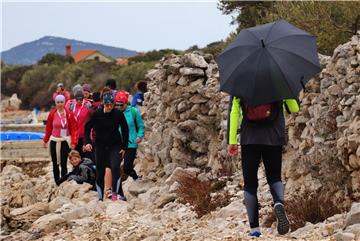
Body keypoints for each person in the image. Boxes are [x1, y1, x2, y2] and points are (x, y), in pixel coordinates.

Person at [227, 97, 299, 237]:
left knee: (250, 183)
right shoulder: (279, 80)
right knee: (274, 177)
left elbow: (234, 112)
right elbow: (294, 108)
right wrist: (288, 92)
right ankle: (278, 203)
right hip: (274, 137)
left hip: (249, 139)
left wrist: (232, 140)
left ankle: (255, 229)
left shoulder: (240, 82)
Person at [84, 92, 129, 202]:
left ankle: (115, 196)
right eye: (107, 104)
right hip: (100, 145)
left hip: (115, 145)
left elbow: (125, 129)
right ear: (103, 103)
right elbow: (87, 127)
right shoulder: (97, 113)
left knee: (115, 167)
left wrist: (124, 147)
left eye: (112, 104)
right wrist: (87, 142)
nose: (110, 107)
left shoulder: (118, 114)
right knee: (100, 171)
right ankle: (100, 198)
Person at [43, 94, 78, 185]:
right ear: (55, 103)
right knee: (55, 163)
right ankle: (57, 181)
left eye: (61, 102)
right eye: (58, 102)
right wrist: (45, 140)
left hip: (65, 141)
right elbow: (48, 128)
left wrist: (74, 141)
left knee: (63, 162)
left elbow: (74, 128)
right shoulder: (52, 114)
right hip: (54, 140)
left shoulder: (69, 114)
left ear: (64, 102)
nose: (60, 104)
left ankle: (63, 181)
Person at [67, 91, 92, 158]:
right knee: (75, 157)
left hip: (84, 136)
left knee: (84, 157)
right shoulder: (72, 106)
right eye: (77, 100)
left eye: (80, 100)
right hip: (75, 136)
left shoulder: (88, 105)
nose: (79, 101)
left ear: (83, 98)